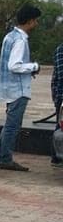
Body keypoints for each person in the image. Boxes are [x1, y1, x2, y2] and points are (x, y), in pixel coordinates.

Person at [0, 4, 42, 171]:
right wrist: (33, 67)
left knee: (9, 124)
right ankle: (6, 159)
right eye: (35, 21)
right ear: (29, 21)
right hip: (18, 89)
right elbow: (14, 65)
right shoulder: (20, 40)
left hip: (7, 88)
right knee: (13, 125)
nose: (36, 25)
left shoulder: (9, 36)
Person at [51, 40, 63, 168]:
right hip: (61, 95)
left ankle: (56, 156)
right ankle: (56, 157)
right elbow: (61, 74)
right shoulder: (61, 50)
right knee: (60, 126)